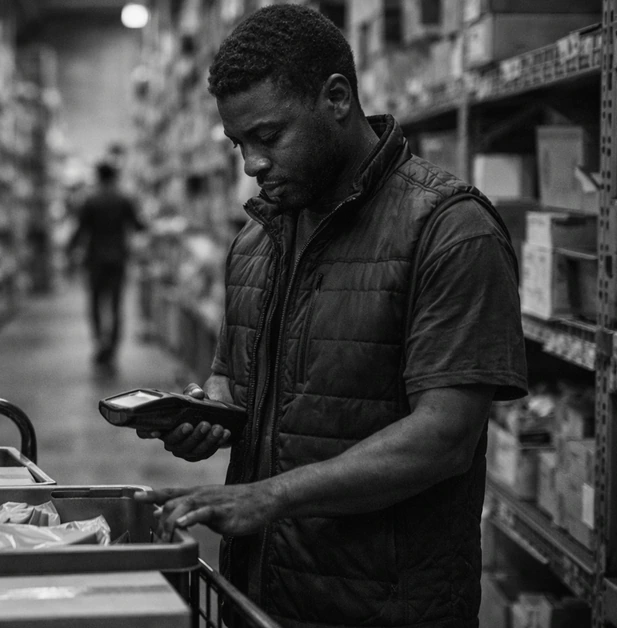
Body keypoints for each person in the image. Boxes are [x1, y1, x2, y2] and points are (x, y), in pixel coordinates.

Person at [135, 5, 527, 627]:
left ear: (337, 98)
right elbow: (229, 382)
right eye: (238, 144)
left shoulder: (450, 231)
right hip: (258, 595)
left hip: (385, 607)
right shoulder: (255, 242)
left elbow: (446, 437)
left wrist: (271, 496)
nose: (251, 164)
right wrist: (204, 414)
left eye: (268, 137)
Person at [69, 162, 145, 365]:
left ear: (98, 177)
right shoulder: (124, 199)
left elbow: (80, 229)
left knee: (95, 303)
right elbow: (138, 225)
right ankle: (112, 347)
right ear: (114, 177)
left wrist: (70, 249)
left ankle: (99, 342)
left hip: (95, 260)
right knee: (116, 304)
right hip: (118, 258)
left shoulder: (90, 201)